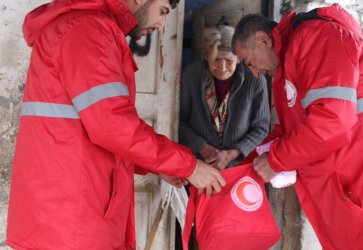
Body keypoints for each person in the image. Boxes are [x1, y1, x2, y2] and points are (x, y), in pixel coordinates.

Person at [6, 0, 226, 249]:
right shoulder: (88, 30)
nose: (162, 25)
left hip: (67, 218)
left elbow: (95, 129)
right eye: (162, 11)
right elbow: (112, 126)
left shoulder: (86, 27)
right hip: (72, 223)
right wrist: (187, 166)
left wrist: (160, 166)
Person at [231, 4, 363, 250]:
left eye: (249, 62)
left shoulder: (317, 36)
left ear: (262, 40)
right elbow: (291, 133)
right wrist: (241, 168)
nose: (255, 73)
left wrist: (275, 160)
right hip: (357, 210)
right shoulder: (288, 67)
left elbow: (331, 122)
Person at [179, 25, 270, 170]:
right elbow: (178, 121)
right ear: (206, 57)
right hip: (199, 165)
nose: (222, 68)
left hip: (239, 166)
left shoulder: (254, 79)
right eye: (215, 59)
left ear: (239, 58)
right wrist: (201, 146)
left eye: (228, 61)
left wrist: (231, 154)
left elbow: (261, 128)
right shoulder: (192, 74)